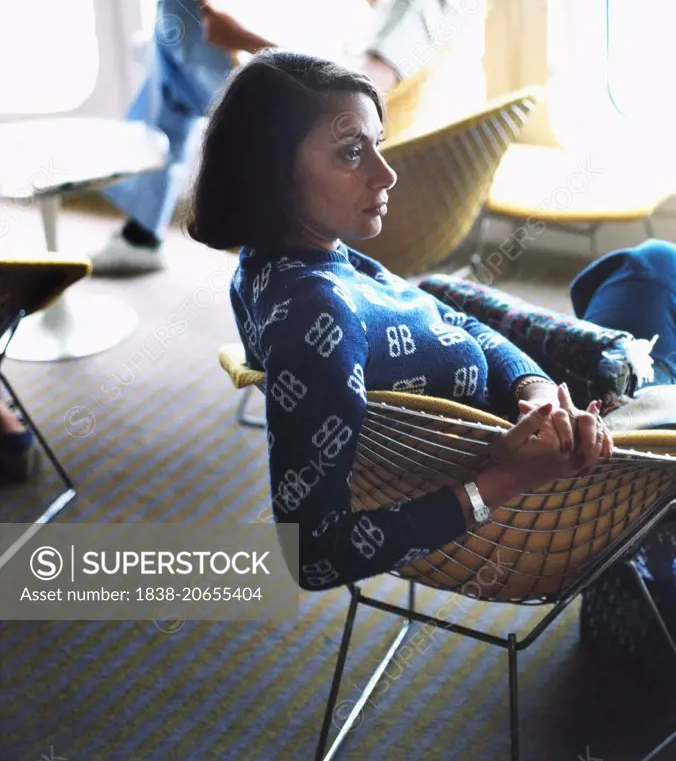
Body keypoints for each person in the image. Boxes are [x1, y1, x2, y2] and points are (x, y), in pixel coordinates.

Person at [184, 50, 642, 591]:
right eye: (352, 154)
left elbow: (462, 323)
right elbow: (312, 555)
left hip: (552, 413)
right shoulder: (316, 315)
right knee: (656, 268)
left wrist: (537, 390)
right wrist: (504, 480)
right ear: (272, 172)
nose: (387, 173)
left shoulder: (302, 258)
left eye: (377, 144)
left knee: (643, 270)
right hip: (572, 478)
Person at [92, 0, 482, 275]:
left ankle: (142, 229)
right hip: (400, 129)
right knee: (174, 64)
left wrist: (245, 40)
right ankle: (142, 227)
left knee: (176, 17)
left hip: (351, 138)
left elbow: (360, 91)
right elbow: (390, 7)